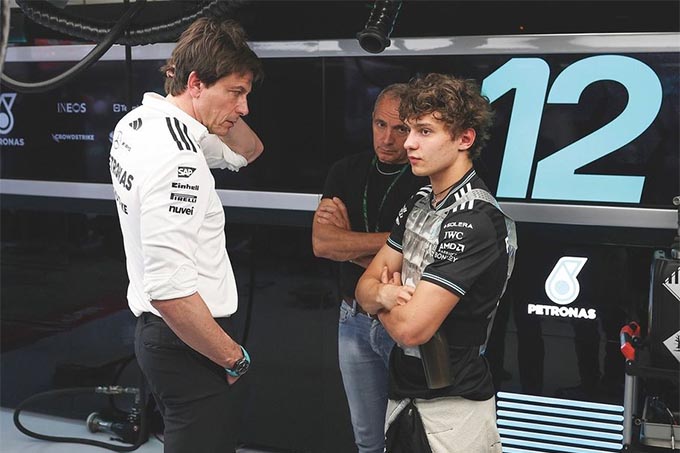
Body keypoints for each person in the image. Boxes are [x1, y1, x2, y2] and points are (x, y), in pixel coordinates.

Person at [109, 17, 264, 453]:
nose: (244, 107)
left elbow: (249, 150)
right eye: (235, 92)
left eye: (246, 94)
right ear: (196, 83)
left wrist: (221, 109)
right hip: (189, 340)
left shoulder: (140, 122)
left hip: (163, 337)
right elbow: (170, 291)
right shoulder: (179, 158)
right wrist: (234, 357)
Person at [355, 73, 517, 453]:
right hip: (402, 398)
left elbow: (411, 330)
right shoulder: (419, 202)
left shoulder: (476, 218)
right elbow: (362, 289)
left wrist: (382, 300)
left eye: (425, 131)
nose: (408, 143)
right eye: (410, 129)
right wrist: (385, 294)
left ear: (464, 139)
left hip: (453, 410)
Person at [312, 83, 427, 453]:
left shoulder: (426, 179)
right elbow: (323, 244)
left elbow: (419, 257)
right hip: (354, 319)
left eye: (400, 129)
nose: (388, 139)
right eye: (380, 125)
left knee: (414, 438)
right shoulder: (346, 170)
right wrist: (392, 246)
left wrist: (348, 242)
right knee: (368, 441)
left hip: (403, 319)